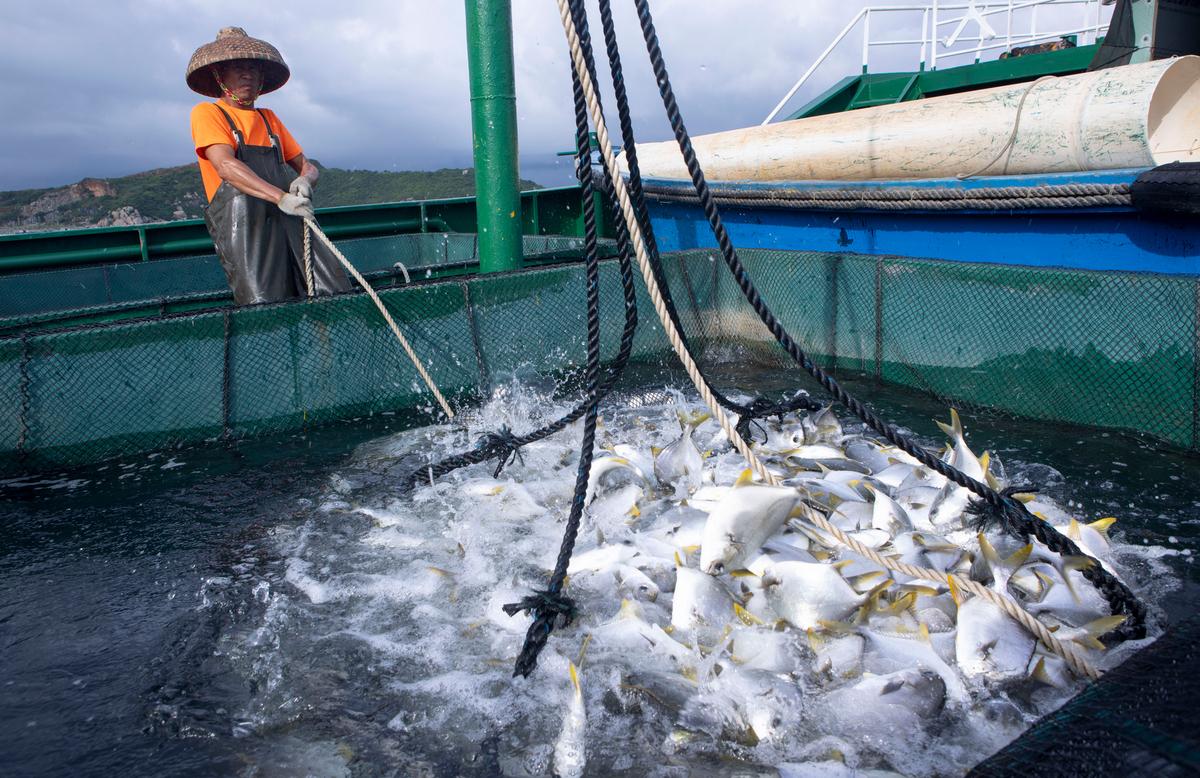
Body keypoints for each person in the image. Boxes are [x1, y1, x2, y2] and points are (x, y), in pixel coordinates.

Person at [186, 27, 350, 304]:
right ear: (219, 75)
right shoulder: (208, 113)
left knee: (335, 290)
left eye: (252, 68)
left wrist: (304, 182)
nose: (246, 74)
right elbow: (225, 166)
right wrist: (281, 197)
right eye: (237, 67)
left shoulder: (269, 119)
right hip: (249, 233)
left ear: (262, 78)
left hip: (291, 222)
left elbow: (307, 166)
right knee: (266, 304)